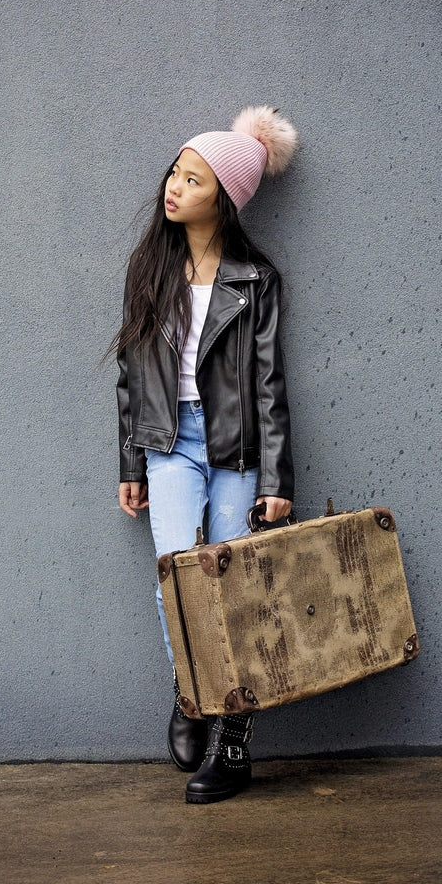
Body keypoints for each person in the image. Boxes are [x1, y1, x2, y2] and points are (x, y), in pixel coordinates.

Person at [114, 105, 296, 803]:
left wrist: (276, 476)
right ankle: (193, 697)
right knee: (178, 580)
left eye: (191, 179)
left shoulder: (254, 280)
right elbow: (129, 377)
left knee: (234, 591)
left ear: (223, 196)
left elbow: (269, 383)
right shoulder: (147, 268)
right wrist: (132, 463)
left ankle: (235, 746)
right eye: (174, 172)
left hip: (236, 452)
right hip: (168, 445)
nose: (173, 187)